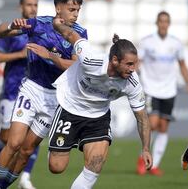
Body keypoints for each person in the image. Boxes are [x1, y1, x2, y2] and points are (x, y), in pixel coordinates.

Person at [0, 0, 87, 189]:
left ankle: (4, 185)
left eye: (78, 10)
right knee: (14, 143)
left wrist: (49, 56)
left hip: (55, 98)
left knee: (26, 151)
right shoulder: (38, 24)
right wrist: (10, 26)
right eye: (71, 9)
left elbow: (77, 66)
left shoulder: (79, 33)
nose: (76, 14)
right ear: (58, 8)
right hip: (32, 89)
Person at [44, 18, 152, 188]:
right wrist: (58, 25)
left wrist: (145, 148)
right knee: (56, 167)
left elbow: (142, 117)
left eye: (135, 64)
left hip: (98, 117)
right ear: (115, 60)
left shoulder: (132, 83)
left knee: (95, 165)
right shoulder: (90, 60)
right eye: (129, 64)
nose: (133, 69)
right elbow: (72, 35)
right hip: (70, 107)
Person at [0, 0, 40, 189]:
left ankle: (25, 178)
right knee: (6, 138)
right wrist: (19, 54)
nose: (33, 8)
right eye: (29, 4)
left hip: (34, 93)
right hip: (11, 91)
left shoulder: (41, 29)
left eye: (35, 4)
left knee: (30, 139)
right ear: (21, 7)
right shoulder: (14, 31)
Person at [136, 11, 188, 176]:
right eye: (161, 21)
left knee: (164, 127)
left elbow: (182, 65)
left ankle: (154, 165)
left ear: (169, 24)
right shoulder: (147, 42)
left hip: (169, 90)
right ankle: (142, 157)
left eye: (166, 21)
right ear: (157, 23)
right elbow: (138, 62)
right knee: (151, 124)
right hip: (150, 88)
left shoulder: (176, 44)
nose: (163, 24)